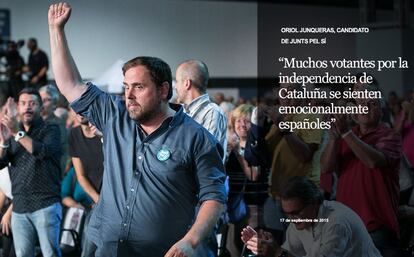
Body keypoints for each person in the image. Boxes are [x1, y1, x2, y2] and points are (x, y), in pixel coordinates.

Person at [48, 3, 226, 257]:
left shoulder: (195, 137)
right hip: (108, 248)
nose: (128, 95)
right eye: (125, 86)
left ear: (163, 90)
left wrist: (191, 241)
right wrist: (56, 30)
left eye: (138, 87)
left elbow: (214, 197)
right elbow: (70, 84)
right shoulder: (115, 116)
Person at [321, 85, 402, 254]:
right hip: (347, 226)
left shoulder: (389, 135)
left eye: (371, 104)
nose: (365, 107)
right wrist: (334, 138)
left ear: (381, 109)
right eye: (361, 103)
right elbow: (326, 167)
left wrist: (345, 133)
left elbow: (373, 161)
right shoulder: (348, 134)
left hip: (377, 227)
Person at [241, 176, 382, 257]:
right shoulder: (300, 221)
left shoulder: (336, 222)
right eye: (287, 214)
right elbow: (290, 254)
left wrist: (277, 253)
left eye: (295, 213)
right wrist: (265, 248)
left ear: (314, 203)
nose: (292, 219)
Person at [0, 89, 62, 257]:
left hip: (45, 204)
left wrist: (15, 133)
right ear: (18, 108)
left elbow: (40, 151)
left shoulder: (51, 129)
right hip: (20, 207)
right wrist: (4, 143)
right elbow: (1, 163)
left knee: (50, 254)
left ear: (41, 107)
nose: (27, 107)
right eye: (23, 103)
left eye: (33, 103)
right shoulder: (13, 132)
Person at [175, 60, 227, 159]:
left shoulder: (212, 113)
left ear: (186, 83)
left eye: (177, 81)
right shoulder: (183, 111)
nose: (175, 87)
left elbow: (205, 155)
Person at [68, 113, 104, 257]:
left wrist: (104, 137)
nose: (79, 111)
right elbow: (80, 176)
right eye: (75, 107)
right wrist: (98, 199)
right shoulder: (74, 135)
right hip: (96, 203)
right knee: (87, 251)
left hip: (115, 200)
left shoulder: (104, 131)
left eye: (83, 106)